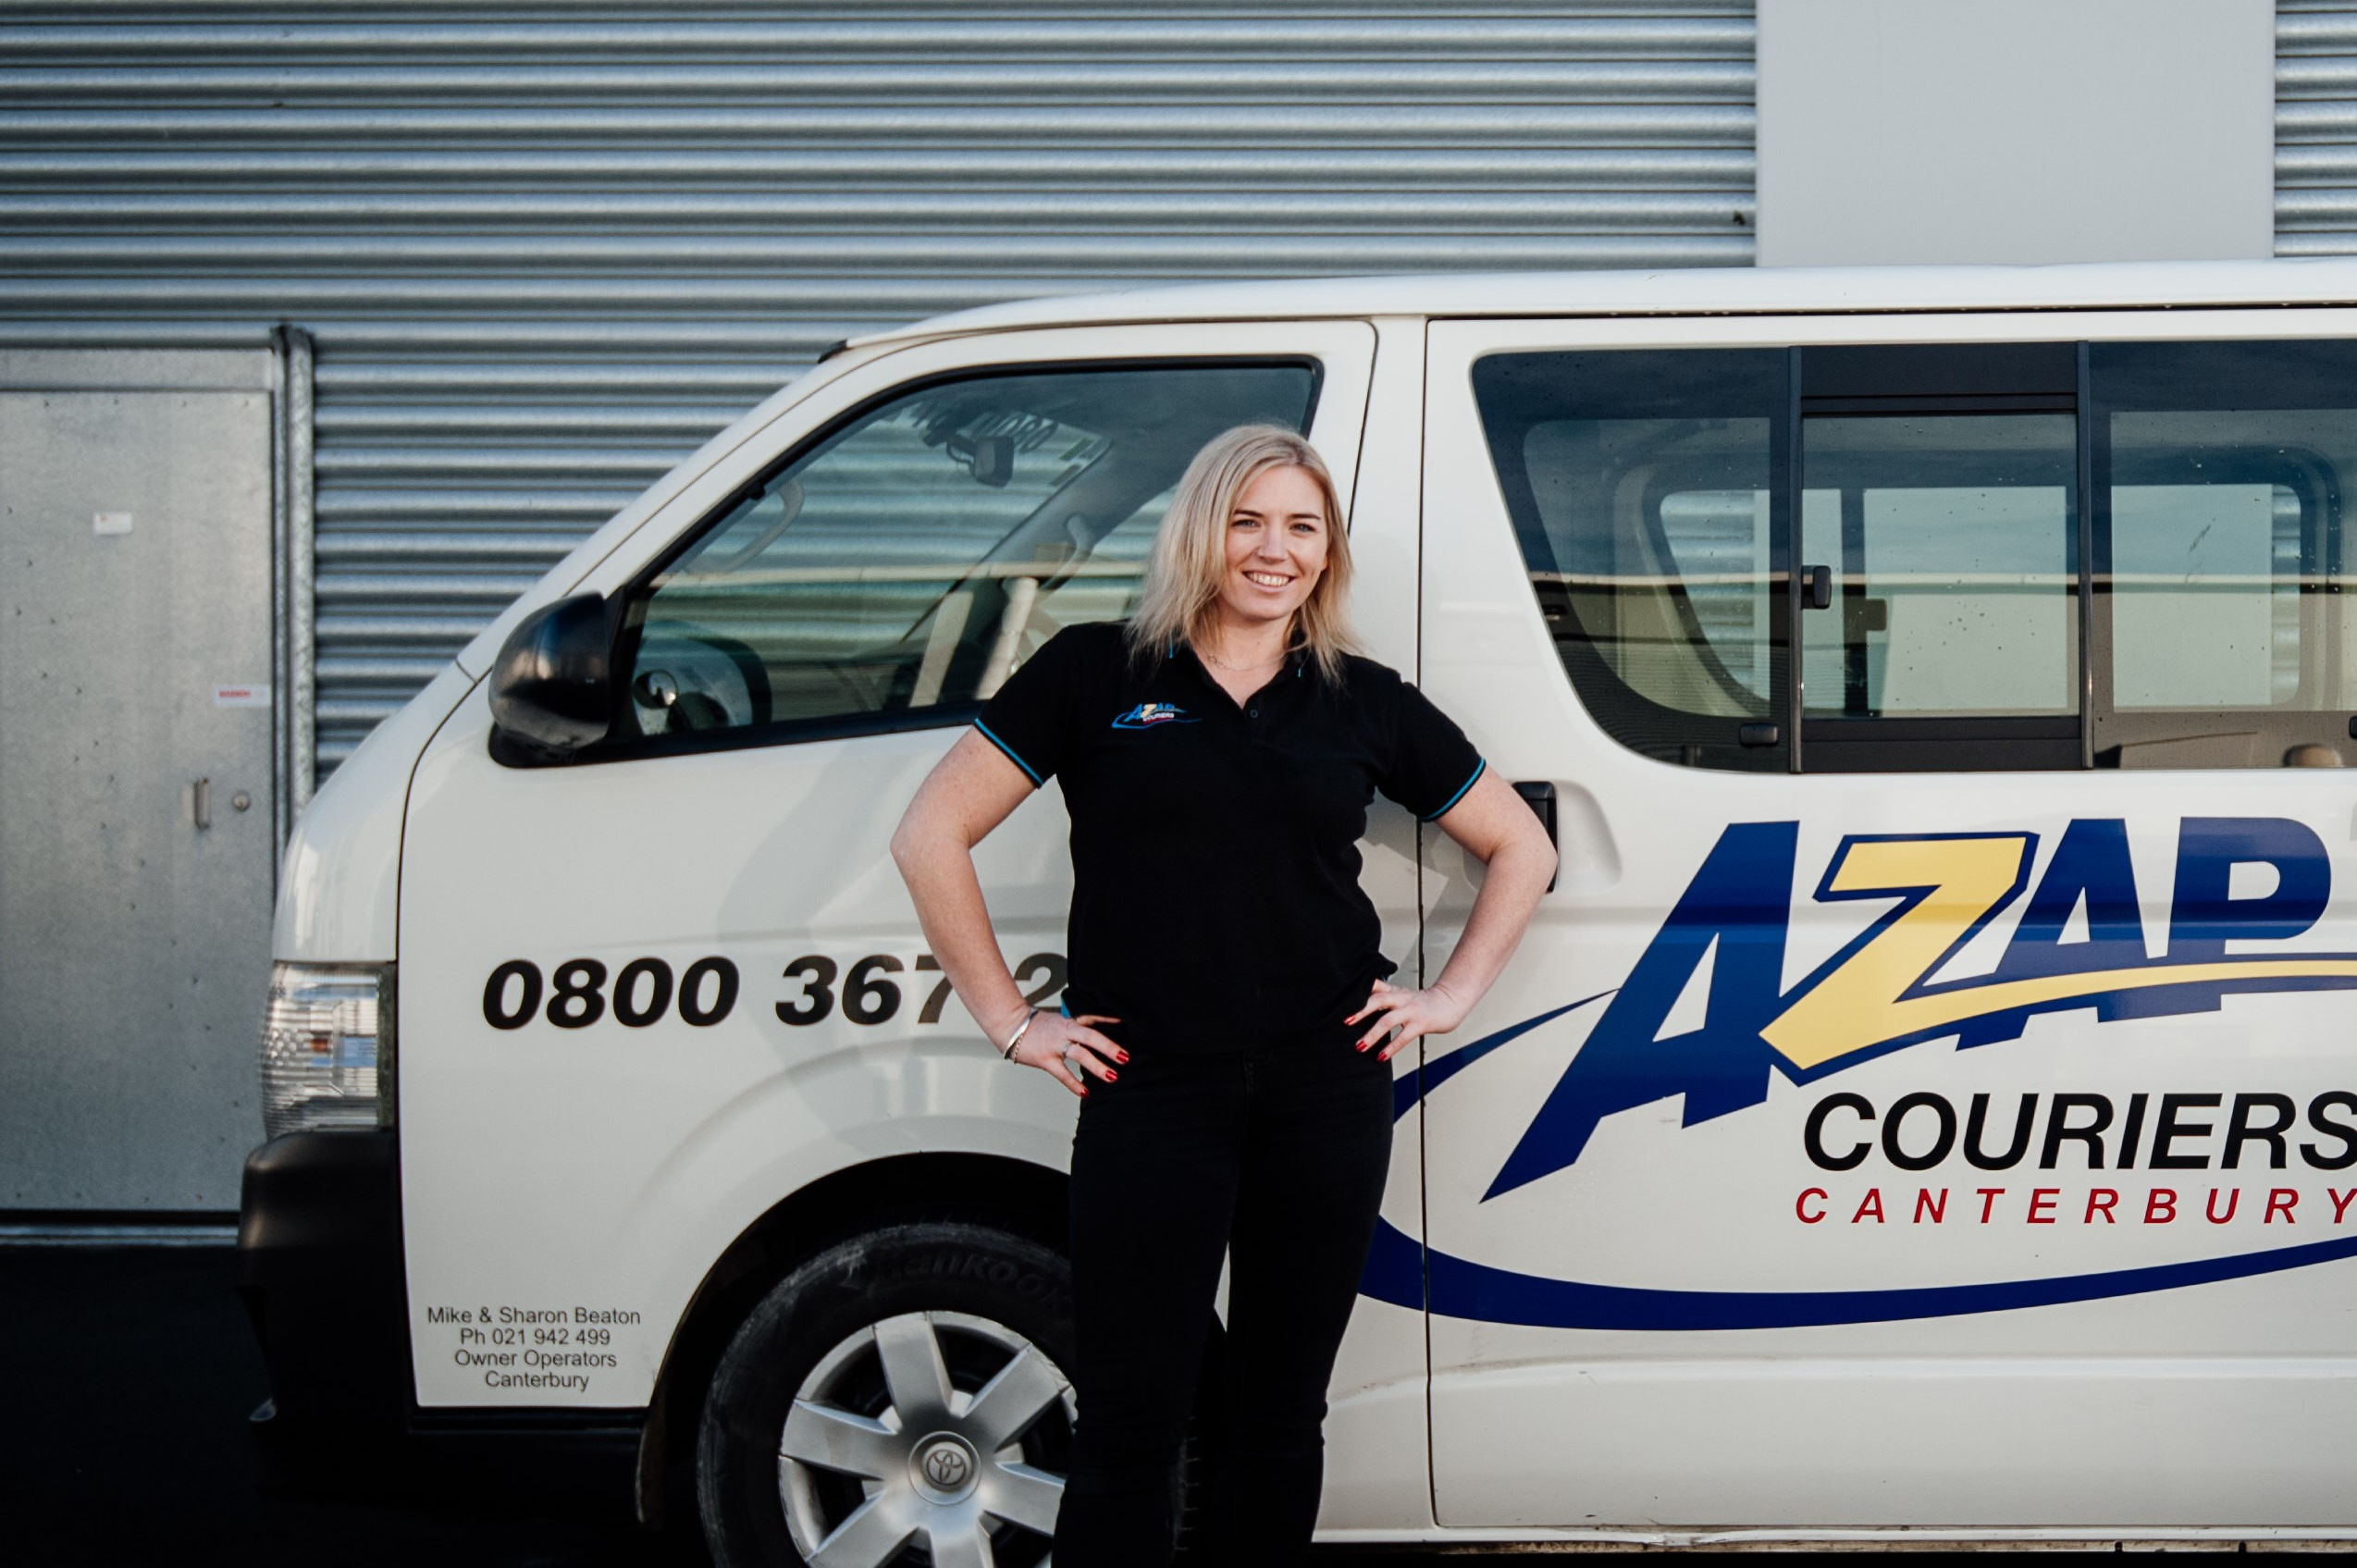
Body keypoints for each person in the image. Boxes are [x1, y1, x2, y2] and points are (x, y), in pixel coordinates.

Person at [890, 423, 1555, 1565]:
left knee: (1279, 1415)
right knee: (1130, 1423)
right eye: (1247, 522)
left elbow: (1520, 847)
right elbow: (929, 834)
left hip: (1325, 1090)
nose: (1272, 550)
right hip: (1152, 1090)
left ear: (1327, 552)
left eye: (1301, 527)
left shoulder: (1360, 699)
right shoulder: (1096, 672)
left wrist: (1446, 997)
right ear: (1201, 533)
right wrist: (1010, 1020)